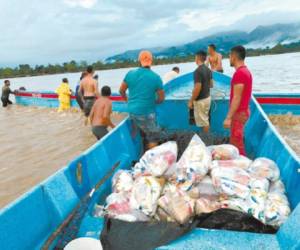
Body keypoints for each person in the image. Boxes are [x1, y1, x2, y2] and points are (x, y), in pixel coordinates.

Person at [119, 50, 165, 148]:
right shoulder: (156, 77)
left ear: (139, 61)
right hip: (147, 112)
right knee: (153, 137)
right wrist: (154, 101)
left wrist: (128, 101)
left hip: (132, 111)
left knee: (141, 131)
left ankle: (141, 147)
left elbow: (121, 91)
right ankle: (152, 159)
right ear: (151, 61)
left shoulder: (130, 74)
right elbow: (161, 98)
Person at [223, 45, 253, 156]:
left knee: (237, 146)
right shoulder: (246, 71)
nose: (229, 59)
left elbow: (237, 97)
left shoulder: (240, 73)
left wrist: (228, 117)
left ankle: (243, 168)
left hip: (239, 113)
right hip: (243, 111)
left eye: (230, 56)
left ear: (234, 57)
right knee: (235, 142)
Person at [189, 50, 213, 133]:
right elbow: (211, 85)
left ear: (198, 58)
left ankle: (206, 141)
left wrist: (191, 101)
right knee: (205, 120)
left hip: (201, 101)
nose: (195, 59)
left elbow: (197, 88)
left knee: (204, 122)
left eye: (195, 57)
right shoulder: (208, 70)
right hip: (207, 98)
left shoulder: (197, 71)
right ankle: (205, 139)